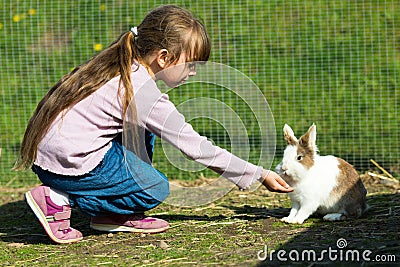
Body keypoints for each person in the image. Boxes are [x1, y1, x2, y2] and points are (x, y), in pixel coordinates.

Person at [14, 5, 293, 244]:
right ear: (163, 58)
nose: (194, 72)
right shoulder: (143, 93)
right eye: (191, 64)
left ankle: (111, 215)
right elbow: (195, 147)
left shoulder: (121, 64)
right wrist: (256, 173)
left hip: (50, 158)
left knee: (145, 132)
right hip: (70, 166)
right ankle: (57, 199)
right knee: (154, 188)